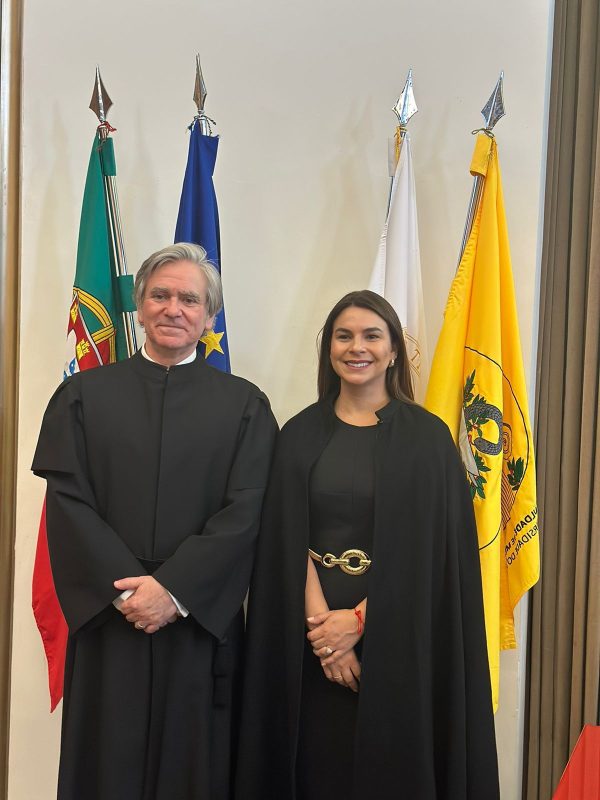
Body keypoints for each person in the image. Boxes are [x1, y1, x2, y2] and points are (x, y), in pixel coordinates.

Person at [32, 243, 277, 800]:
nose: (173, 309)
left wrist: (174, 590)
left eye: (190, 299)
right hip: (111, 617)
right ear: (139, 307)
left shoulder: (245, 406)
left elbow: (247, 509)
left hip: (197, 623)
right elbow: (68, 503)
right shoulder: (82, 396)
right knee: (105, 769)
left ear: (209, 318)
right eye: (160, 295)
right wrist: (127, 592)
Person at [236, 290, 499, 800]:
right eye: (344, 336)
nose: (357, 347)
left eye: (372, 336)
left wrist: (357, 622)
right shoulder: (297, 434)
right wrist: (324, 633)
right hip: (307, 640)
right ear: (329, 349)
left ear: (394, 350)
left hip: (401, 636)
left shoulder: (428, 440)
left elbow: (435, 557)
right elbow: (282, 538)